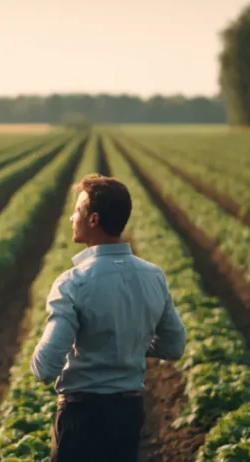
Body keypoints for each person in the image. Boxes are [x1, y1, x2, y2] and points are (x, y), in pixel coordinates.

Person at [30, 174, 186, 462]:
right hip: (128, 415)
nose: (70, 218)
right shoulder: (153, 275)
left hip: (81, 417)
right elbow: (175, 345)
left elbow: (45, 367)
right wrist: (133, 342)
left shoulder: (72, 282)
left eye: (77, 210)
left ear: (93, 220)